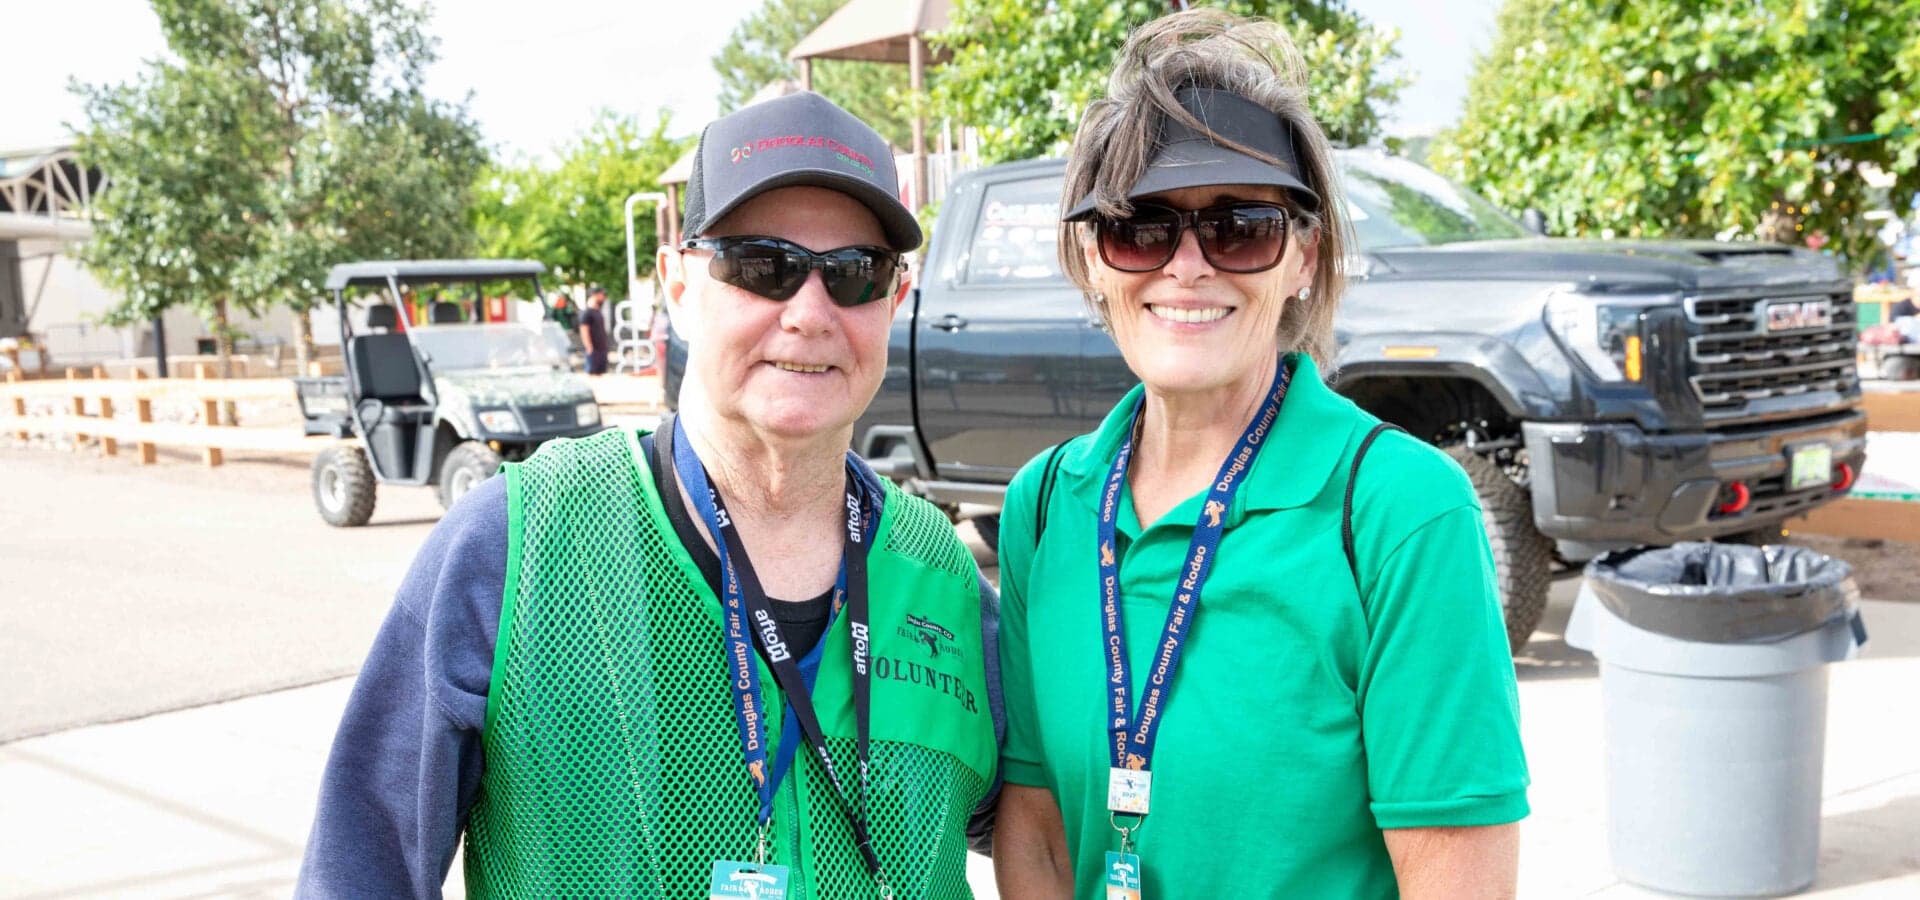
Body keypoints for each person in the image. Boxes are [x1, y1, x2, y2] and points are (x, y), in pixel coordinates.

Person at [297, 91, 1002, 899]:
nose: (810, 313)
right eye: (761, 266)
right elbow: (360, 868)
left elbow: (1049, 826)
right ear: (677, 285)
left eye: (854, 274)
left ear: (895, 301)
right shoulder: (515, 547)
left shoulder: (943, 577)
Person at [991, 10, 1529, 899]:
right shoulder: (1045, 505)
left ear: (1304, 257)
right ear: (1093, 259)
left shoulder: (1399, 509)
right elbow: (1040, 830)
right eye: (1139, 227)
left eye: (1240, 227)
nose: (1188, 267)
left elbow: (1456, 875)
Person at [580, 285, 611, 374]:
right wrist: (589, 347)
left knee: (601, 373)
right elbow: (584, 330)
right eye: (602, 294)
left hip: (601, 349)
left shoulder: (598, 311)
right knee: (593, 373)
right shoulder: (587, 313)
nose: (604, 297)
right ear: (595, 295)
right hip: (594, 350)